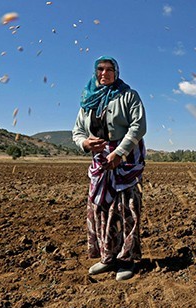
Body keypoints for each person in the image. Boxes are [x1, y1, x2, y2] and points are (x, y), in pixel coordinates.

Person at [72, 56, 147, 281]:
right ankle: (108, 257)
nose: (104, 73)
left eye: (109, 69)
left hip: (125, 161)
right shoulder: (88, 102)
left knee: (127, 209)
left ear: (117, 72)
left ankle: (126, 259)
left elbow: (138, 126)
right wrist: (85, 144)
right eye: (100, 69)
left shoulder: (128, 96)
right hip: (100, 163)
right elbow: (77, 131)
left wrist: (120, 152)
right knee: (102, 209)